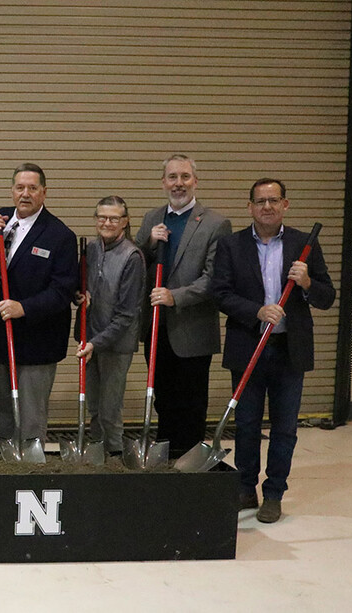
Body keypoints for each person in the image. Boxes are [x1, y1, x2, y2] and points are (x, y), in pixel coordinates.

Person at [212, 178, 334, 523]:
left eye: (273, 200)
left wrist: (308, 282)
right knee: (247, 424)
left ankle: (274, 493)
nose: (267, 206)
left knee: (284, 427)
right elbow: (220, 293)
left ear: (285, 205)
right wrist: (257, 311)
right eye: (260, 201)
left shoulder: (304, 244)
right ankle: (245, 487)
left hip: (288, 349)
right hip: (248, 346)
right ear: (249, 206)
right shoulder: (231, 245)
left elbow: (327, 297)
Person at [134, 154, 231, 458]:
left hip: (192, 329)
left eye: (185, 177)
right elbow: (134, 263)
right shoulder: (152, 218)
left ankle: (189, 465)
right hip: (156, 328)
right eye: (172, 177)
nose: (179, 184)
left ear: (195, 181)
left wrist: (176, 296)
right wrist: (149, 243)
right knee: (163, 400)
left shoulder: (216, 223)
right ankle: (166, 463)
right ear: (163, 182)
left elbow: (215, 278)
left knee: (190, 403)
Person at [0, 163, 78, 447]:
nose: (25, 194)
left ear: (44, 192)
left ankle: (29, 472)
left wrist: (23, 307)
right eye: (20, 187)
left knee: (30, 414)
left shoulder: (60, 235)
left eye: (32, 188)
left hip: (38, 341)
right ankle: (5, 465)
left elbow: (63, 291)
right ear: (12, 191)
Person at [74, 196, 145, 454]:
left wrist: (96, 342)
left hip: (115, 344)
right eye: (102, 217)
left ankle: (114, 463)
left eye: (114, 218)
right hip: (90, 338)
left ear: (124, 222)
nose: (107, 222)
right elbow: (78, 287)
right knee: (93, 408)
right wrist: (78, 295)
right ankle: (96, 458)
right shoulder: (91, 249)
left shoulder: (132, 257)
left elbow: (127, 315)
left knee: (109, 412)